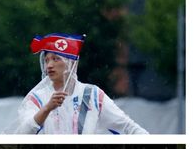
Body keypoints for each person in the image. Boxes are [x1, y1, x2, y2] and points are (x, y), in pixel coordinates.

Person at [8, 33, 147, 135]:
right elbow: (23, 133)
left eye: (56, 59)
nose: (49, 65)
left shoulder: (92, 94)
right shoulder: (36, 98)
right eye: (46, 60)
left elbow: (127, 127)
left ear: (72, 63)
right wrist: (47, 108)